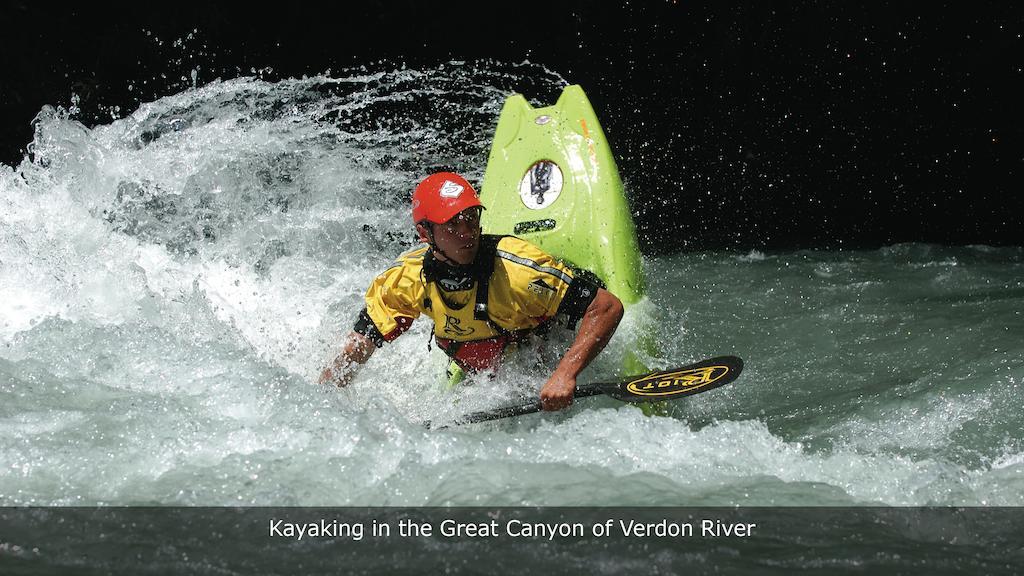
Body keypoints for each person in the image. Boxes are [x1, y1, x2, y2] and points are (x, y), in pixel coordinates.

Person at [318, 172, 623, 411]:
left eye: (471, 219)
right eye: (452, 225)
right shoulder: (407, 280)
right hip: (480, 357)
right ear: (425, 234)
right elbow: (357, 347)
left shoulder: (519, 271)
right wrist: (324, 400)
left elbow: (607, 308)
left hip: (542, 338)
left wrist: (565, 374)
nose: (466, 233)